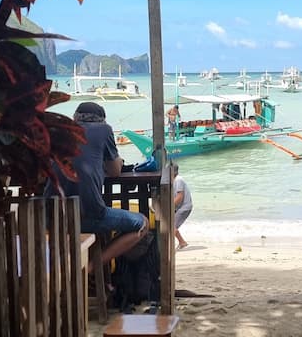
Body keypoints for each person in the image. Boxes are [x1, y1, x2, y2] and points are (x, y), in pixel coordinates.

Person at [48, 100, 147, 267]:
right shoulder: (104, 130)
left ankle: (80, 268)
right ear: (102, 120)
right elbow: (115, 171)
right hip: (88, 215)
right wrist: (118, 162)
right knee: (141, 223)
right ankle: (91, 267)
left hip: (51, 216)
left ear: (75, 117)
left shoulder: (60, 131)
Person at [171, 162, 193, 249]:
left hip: (184, 207)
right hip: (180, 207)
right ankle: (181, 242)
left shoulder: (178, 180)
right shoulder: (174, 180)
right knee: (171, 226)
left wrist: (169, 207)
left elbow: (180, 196)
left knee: (171, 226)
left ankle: (182, 242)